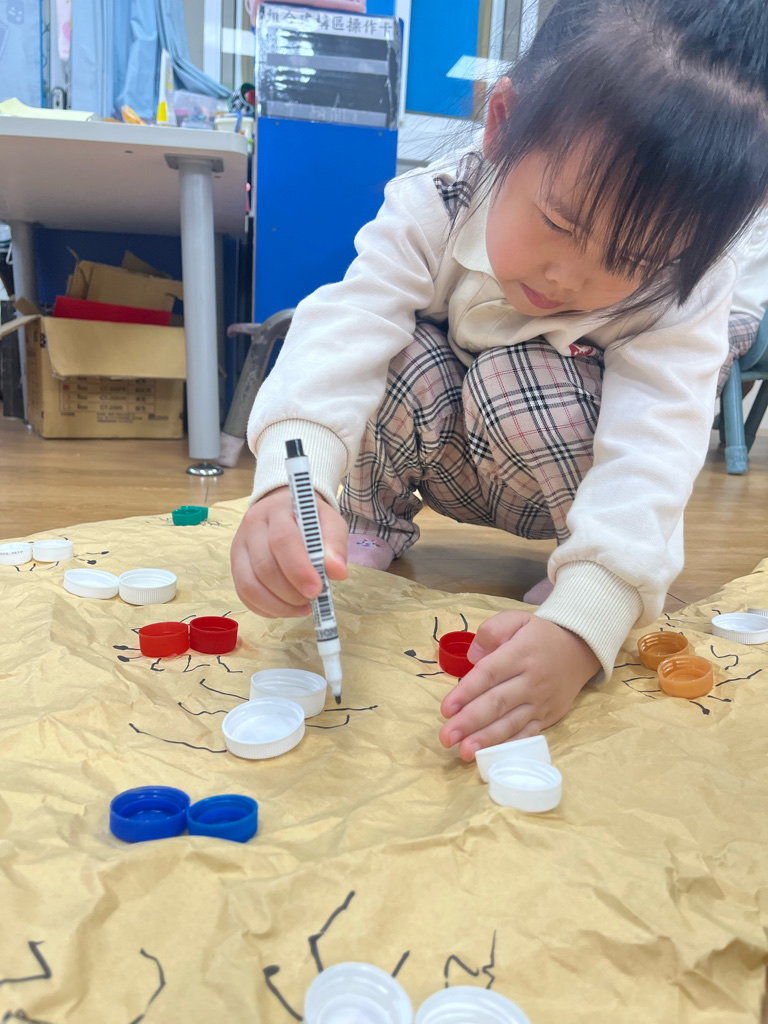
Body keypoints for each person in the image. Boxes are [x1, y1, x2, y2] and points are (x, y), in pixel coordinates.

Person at [232, 0, 768, 761]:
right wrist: (294, 484)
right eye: (560, 222)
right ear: (502, 125)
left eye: (631, 260)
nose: (569, 276)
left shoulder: (687, 286)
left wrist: (588, 617)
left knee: (516, 374)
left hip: (559, 482)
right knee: (398, 349)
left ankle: (579, 572)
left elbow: (657, 447)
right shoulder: (436, 204)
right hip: (442, 449)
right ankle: (371, 522)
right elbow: (345, 329)